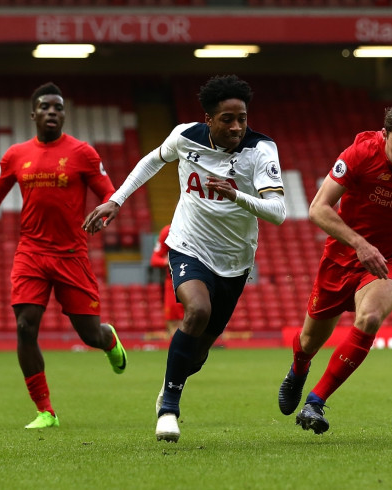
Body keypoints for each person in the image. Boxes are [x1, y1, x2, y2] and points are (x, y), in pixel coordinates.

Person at [83, 74, 286, 442]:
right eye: (227, 119)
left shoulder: (261, 150)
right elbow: (151, 160)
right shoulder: (185, 136)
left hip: (235, 260)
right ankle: (169, 410)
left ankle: (170, 381)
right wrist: (116, 200)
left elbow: (277, 212)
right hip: (188, 244)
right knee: (196, 311)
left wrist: (236, 195)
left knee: (197, 356)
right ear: (208, 119)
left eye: (242, 117)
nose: (237, 126)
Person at [278, 102, 392, 434]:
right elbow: (318, 209)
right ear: (385, 134)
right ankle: (299, 370)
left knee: (371, 318)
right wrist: (360, 244)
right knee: (309, 341)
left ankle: (315, 402)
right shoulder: (360, 154)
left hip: (390, 259)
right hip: (341, 258)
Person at [0, 81, 127, 430]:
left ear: (64, 114)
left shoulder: (83, 153)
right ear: (34, 114)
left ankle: (109, 340)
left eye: (58, 107)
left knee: (89, 335)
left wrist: (108, 209)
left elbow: (108, 192)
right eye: (45, 107)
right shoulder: (15, 154)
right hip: (30, 251)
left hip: (71, 254)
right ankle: (45, 411)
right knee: (25, 326)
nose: (51, 112)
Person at [149, 223, 184, 338]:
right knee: (174, 324)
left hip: (198, 281)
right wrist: (168, 262)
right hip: (173, 283)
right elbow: (155, 259)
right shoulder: (168, 231)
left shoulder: (200, 229)